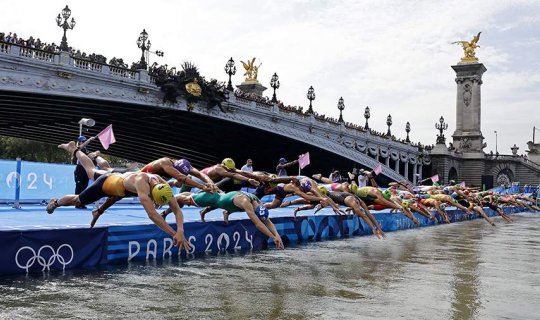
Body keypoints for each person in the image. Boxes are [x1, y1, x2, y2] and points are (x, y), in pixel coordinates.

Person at [47, 144, 190, 251]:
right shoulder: (142, 185)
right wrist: (173, 234)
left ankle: (94, 158)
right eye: (155, 201)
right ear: (152, 194)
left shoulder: (162, 183)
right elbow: (152, 215)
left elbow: (177, 209)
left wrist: (180, 231)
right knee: (81, 192)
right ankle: (57, 199)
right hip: (108, 183)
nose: (155, 204)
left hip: (122, 180)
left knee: (107, 175)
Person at [167, 191, 284, 249]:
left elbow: (267, 221)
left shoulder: (258, 203)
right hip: (214, 199)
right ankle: (166, 202)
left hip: (226, 201)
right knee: (185, 199)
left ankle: (226, 212)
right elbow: (258, 224)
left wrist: (277, 235)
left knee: (194, 195)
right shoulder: (246, 203)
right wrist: (273, 237)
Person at [141, 157, 217, 193]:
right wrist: (202, 187)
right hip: (140, 179)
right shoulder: (165, 162)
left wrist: (211, 182)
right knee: (181, 181)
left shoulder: (185, 165)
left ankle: (171, 183)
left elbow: (200, 174)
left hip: (156, 180)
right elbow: (180, 178)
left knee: (180, 183)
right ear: (175, 168)